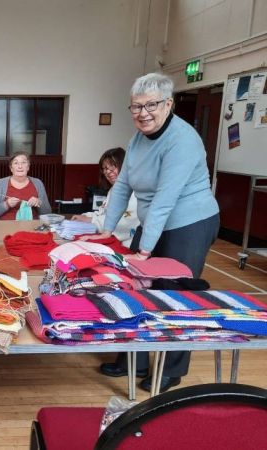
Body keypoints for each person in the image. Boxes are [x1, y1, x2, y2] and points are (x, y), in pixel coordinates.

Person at [85, 73, 220, 393]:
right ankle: (135, 359)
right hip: (155, 220)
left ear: (169, 104)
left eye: (152, 105)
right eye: (136, 107)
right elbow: (121, 188)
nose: (143, 113)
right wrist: (104, 231)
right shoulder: (136, 140)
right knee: (135, 286)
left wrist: (144, 249)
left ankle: (173, 369)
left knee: (178, 296)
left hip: (190, 222)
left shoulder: (183, 140)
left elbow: (166, 197)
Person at [71, 147, 139, 246]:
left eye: (113, 166)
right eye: (105, 168)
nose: (108, 171)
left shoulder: (135, 191)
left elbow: (123, 222)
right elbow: (103, 212)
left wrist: (92, 220)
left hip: (129, 246)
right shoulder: (113, 190)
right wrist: (86, 216)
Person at [0, 151, 52, 220]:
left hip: (31, 226)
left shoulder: (38, 183)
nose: (20, 166)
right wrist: (6, 204)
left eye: (23, 162)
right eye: (16, 163)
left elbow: (48, 214)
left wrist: (39, 202)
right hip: (5, 226)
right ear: (11, 168)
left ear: (28, 167)